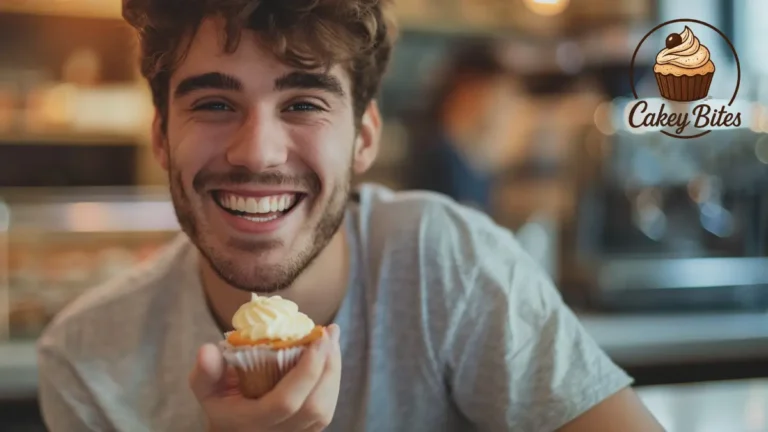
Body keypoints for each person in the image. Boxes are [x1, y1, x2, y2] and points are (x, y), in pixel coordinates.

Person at [37, 1, 664, 431]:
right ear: (162, 137)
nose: (257, 152)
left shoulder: (448, 264)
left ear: (364, 139)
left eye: (304, 102)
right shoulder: (90, 358)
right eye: (214, 102)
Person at [407, 41, 525, 213]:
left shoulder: (474, 159)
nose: (502, 107)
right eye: (497, 93)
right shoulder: (439, 157)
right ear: (467, 90)